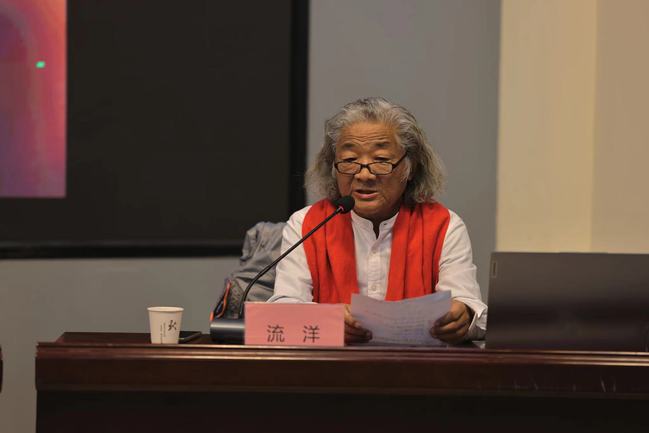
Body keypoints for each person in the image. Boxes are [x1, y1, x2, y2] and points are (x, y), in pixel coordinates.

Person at [269, 97, 487, 344]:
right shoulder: (306, 224)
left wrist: (463, 316)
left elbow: (469, 307)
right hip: (330, 365)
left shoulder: (444, 226)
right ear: (333, 167)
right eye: (349, 161)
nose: (364, 175)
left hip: (416, 366)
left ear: (410, 167)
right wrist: (329, 320)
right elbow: (282, 310)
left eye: (381, 160)